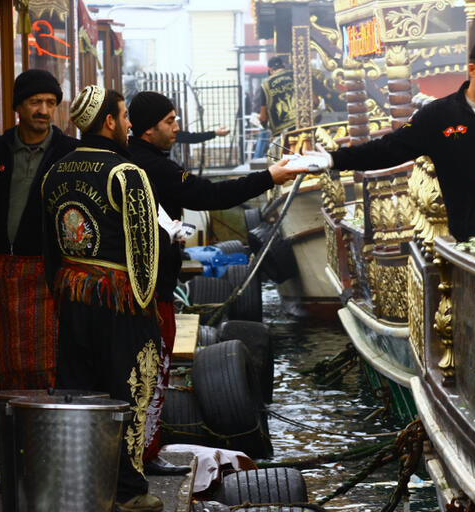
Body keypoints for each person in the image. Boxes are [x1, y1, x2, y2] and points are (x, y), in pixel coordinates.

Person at [127, 90, 304, 475]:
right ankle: (146, 455)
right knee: (155, 370)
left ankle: (140, 452)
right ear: (148, 128)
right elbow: (211, 194)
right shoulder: (154, 168)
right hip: (152, 287)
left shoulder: (141, 159)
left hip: (144, 281)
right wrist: (269, 177)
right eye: (170, 122)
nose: (176, 128)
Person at [41, 85, 162, 512]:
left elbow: (50, 244)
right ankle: (128, 492)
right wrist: (146, 303)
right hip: (119, 300)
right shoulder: (125, 173)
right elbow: (146, 248)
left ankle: (79, 488)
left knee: (78, 393)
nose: (130, 124)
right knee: (130, 389)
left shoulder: (55, 171)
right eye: (126, 116)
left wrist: (63, 288)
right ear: (109, 121)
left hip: (72, 294)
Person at [303, 30, 475, 242]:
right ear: (472, 70)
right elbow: (387, 149)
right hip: (468, 239)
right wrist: (335, 160)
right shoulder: (438, 115)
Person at [0, 69, 79, 392]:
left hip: (43, 272)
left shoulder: (70, 153)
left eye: (50, 102)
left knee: (44, 363)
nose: (44, 111)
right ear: (18, 107)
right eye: (35, 102)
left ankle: (39, 430)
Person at [258, 56, 295, 138]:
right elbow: (315, 102)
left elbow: (263, 118)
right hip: (303, 128)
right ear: (284, 65)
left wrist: (262, 123)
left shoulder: (265, 86)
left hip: (282, 134)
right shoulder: (297, 75)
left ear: (270, 70)